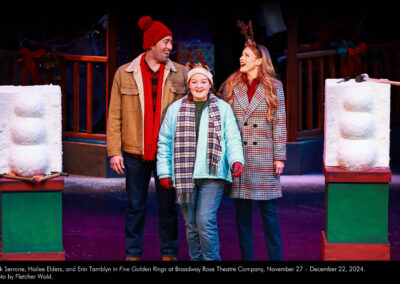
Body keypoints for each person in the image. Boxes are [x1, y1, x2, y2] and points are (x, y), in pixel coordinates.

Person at [106, 15, 188, 261]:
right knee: (135, 207)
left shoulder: (181, 74)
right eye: (165, 42)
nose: (169, 47)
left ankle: (169, 254)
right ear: (151, 43)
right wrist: (114, 151)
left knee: (168, 207)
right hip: (134, 151)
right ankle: (133, 255)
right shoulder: (125, 73)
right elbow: (114, 115)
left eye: (171, 42)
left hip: (167, 153)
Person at [157, 60, 244, 261]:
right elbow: (165, 141)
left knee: (205, 221)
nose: (198, 86)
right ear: (189, 85)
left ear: (210, 84)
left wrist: (236, 160)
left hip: (212, 174)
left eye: (203, 82)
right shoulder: (175, 109)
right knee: (191, 225)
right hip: (184, 175)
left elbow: (232, 138)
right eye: (194, 82)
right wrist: (164, 172)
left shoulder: (222, 108)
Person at [220, 20, 287, 261]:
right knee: (242, 213)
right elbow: (226, 122)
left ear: (259, 60)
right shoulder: (232, 85)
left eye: (246, 55)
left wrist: (280, 156)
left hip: (264, 157)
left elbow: (279, 122)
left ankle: (276, 259)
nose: (241, 58)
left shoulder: (274, 87)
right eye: (241, 54)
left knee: (269, 211)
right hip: (240, 157)